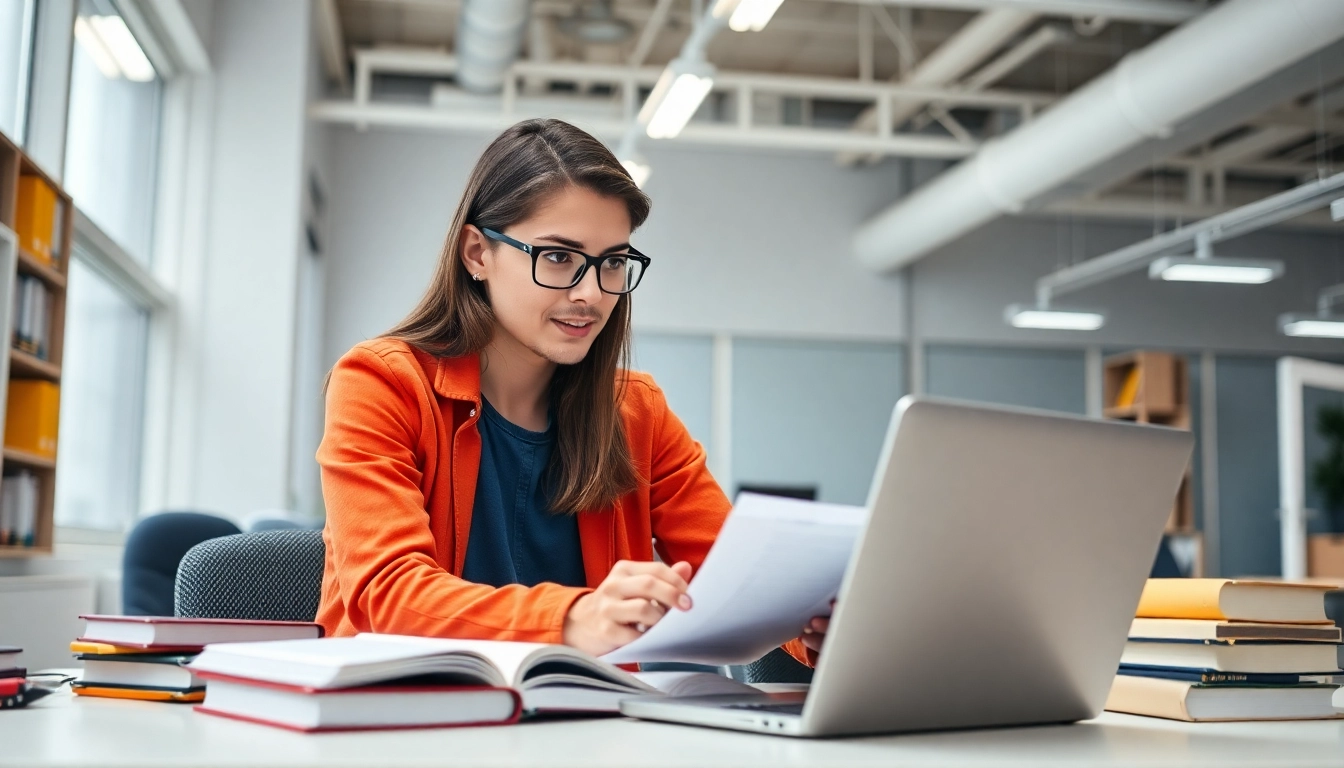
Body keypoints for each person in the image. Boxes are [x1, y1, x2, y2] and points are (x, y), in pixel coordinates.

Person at [316, 118, 826, 665]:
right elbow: (388, 596)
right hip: (405, 723)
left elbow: (735, 579)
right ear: (476, 254)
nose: (591, 293)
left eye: (612, 263)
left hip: (586, 729)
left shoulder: (636, 413)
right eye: (558, 257)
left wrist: (811, 621)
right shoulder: (382, 383)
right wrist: (572, 619)